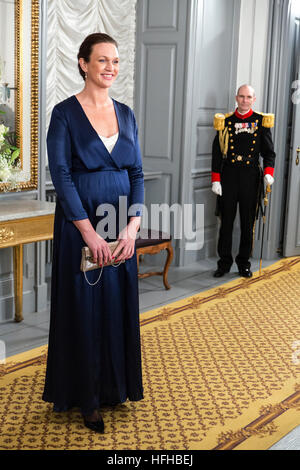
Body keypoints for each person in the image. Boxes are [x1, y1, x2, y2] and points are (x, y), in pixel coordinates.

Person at [42, 33, 144, 433]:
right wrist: (89, 233)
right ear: (83, 63)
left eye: (115, 61)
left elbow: (136, 173)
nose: (110, 68)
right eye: (102, 60)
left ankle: (114, 387)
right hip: (80, 225)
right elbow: (61, 176)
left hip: (122, 225)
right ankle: (84, 397)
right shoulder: (64, 114)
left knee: (117, 304)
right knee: (84, 308)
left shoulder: (127, 113)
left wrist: (133, 226)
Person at [211, 84, 276, 278]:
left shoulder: (261, 121)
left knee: (248, 224)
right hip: (229, 175)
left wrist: (268, 173)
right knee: (226, 223)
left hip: (251, 177)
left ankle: (243, 263)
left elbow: (269, 152)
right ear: (236, 98)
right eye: (241, 96)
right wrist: (216, 179)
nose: (244, 100)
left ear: (254, 99)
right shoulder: (226, 121)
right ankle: (223, 263)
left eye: (248, 97)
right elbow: (216, 153)